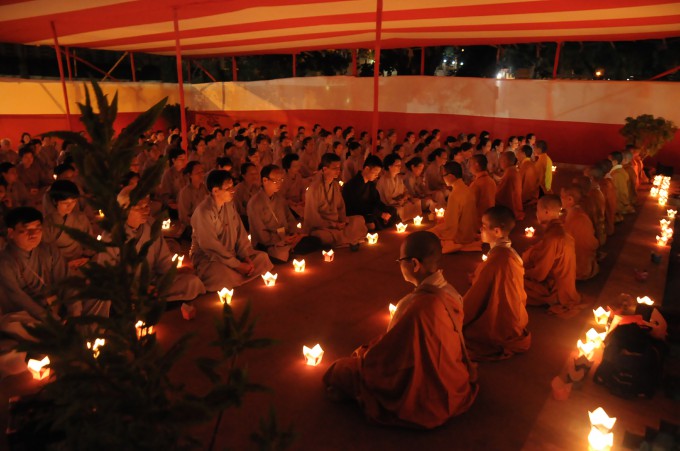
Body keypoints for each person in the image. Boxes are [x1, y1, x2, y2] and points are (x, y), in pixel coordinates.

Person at [323, 231, 478, 429]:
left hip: (423, 387)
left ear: (414, 264)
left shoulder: (412, 306)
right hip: (453, 377)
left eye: (400, 260)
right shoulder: (452, 293)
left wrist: (367, 356)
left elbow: (390, 357)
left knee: (340, 370)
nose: (399, 265)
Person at [96, 187, 206, 302]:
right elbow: (107, 275)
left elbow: (163, 260)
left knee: (192, 282)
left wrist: (171, 274)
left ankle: (152, 300)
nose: (146, 211)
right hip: (127, 288)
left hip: (153, 280)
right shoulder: (111, 234)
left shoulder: (152, 224)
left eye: (147, 206)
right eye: (140, 208)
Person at [463, 206, 530, 360]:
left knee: (461, 330)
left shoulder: (498, 260)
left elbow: (475, 299)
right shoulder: (509, 253)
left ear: (497, 231)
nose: (480, 229)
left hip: (502, 323)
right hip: (517, 316)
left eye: (484, 226)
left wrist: (458, 314)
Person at [190, 170, 273, 291]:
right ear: (215, 191)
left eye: (232, 186)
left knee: (263, 258)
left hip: (233, 254)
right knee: (223, 275)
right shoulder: (203, 212)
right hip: (209, 258)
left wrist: (245, 257)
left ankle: (239, 273)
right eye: (228, 188)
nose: (233, 190)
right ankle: (237, 273)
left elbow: (240, 233)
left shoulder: (229, 204)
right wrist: (238, 265)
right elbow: (210, 246)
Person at [247, 165, 321, 262]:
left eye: (281, 180)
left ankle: (290, 250)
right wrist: (282, 240)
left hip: (286, 237)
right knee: (279, 255)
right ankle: (288, 251)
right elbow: (261, 235)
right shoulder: (254, 203)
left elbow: (290, 218)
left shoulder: (279, 198)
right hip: (269, 243)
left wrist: (294, 234)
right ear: (265, 180)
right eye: (275, 181)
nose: (279, 184)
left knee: (316, 241)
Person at [522, 195, 581, 310]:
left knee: (513, 282)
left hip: (557, 290)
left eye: (538, 210)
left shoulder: (553, 237)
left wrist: (522, 272)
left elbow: (539, 275)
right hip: (564, 283)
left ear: (546, 212)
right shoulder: (560, 229)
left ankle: (552, 299)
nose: (536, 213)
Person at [303, 153, 367, 248]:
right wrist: (333, 225)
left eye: (339, 168)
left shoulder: (335, 185)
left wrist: (342, 221)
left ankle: (341, 238)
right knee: (324, 237)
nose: (338, 171)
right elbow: (312, 217)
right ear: (325, 169)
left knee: (359, 219)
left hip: (336, 223)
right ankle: (345, 238)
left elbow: (341, 207)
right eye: (335, 168)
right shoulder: (314, 188)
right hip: (322, 227)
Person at [41, 180, 94, 269]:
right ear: (55, 201)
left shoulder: (81, 217)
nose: (70, 206)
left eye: (74, 202)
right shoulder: (46, 223)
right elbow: (44, 252)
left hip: (80, 261)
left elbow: (90, 242)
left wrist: (86, 257)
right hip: (57, 266)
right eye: (65, 203)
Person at [429, 162, 479, 253]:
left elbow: (451, 224)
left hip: (461, 237)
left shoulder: (455, 194)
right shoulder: (468, 189)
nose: (443, 178)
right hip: (471, 232)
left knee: (431, 233)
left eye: (443, 175)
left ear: (451, 176)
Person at [343, 155, 397, 231]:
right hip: (358, 213)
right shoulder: (353, 184)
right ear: (367, 169)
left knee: (392, 210)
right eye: (375, 173)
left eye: (378, 173)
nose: (377, 176)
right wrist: (380, 214)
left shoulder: (370, 183)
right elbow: (358, 206)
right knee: (372, 223)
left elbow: (376, 201)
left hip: (370, 211)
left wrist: (384, 210)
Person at [560, 185, 599, 280]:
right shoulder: (575, 213)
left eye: (561, 197)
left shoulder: (579, 219)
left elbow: (588, 244)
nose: (560, 200)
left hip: (579, 268)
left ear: (570, 200)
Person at [376, 154, 422, 222]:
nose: (399, 167)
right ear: (389, 166)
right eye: (397, 165)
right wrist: (399, 201)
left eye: (400, 165)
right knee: (398, 209)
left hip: (401, 201)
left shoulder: (398, 178)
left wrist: (405, 197)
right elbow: (388, 200)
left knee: (417, 202)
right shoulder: (384, 180)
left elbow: (405, 190)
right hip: (389, 205)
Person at [177, 161, 209, 234]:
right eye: (198, 173)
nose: (201, 175)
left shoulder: (205, 188)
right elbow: (184, 217)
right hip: (192, 228)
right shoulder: (185, 193)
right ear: (190, 175)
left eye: (202, 172)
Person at [495, 151, 524, 221]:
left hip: (512, 207)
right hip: (516, 202)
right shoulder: (513, 170)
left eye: (501, 160)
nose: (500, 163)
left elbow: (500, 193)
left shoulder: (510, 172)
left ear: (505, 161)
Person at [469, 154, 496, 227]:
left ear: (476, 165)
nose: (469, 167)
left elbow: (471, 206)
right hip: (491, 219)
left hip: (478, 222)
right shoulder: (491, 181)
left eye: (470, 164)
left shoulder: (476, 184)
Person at [233, 162, 261, 228]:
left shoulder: (257, 189)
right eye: (252, 174)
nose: (255, 176)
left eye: (256, 173)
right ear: (244, 176)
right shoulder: (237, 191)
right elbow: (236, 212)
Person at [608, 151, 635, 217]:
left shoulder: (618, 174)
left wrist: (626, 204)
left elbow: (622, 192)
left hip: (618, 205)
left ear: (615, 162)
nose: (607, 163)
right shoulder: (616, 172)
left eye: (609, 161)